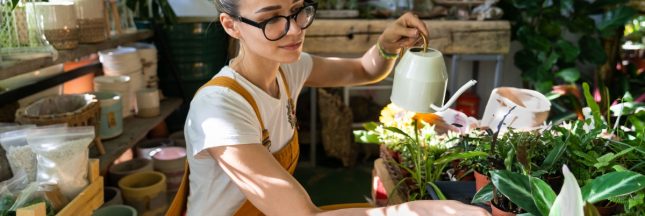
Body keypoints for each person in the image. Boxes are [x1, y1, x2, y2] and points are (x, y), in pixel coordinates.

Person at [177, 0, 491, 215]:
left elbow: (364, 70)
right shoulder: (219, 109)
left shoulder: (288, 69)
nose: (295, 30)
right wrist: (415, 210)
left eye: (298, 10)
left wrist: (386, 44)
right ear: (231, 25)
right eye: (271, 19)